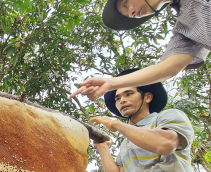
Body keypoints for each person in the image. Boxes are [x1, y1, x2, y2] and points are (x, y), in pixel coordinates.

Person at [70, 0, 210, 100]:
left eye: (125, 3)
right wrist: (110, 83)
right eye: (127, 15)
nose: (131, 12)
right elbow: (168, 67)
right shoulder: (186, 27)